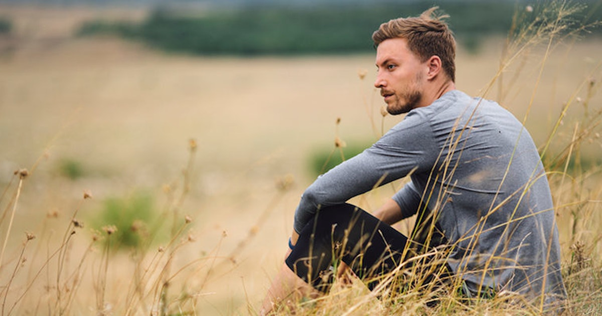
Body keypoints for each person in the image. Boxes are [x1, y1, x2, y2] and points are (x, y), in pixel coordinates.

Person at [261, 7, 566, 314]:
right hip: (541, 301)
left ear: (432, 67)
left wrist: (296, 246)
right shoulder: (485, 110)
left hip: (489, 305)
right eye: (378, 68)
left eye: (391, 67)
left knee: (329, 221)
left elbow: (319, 194)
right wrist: (377, 220)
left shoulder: (431, 123)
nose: (378, 80)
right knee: (428, 214)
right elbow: (430, 187)